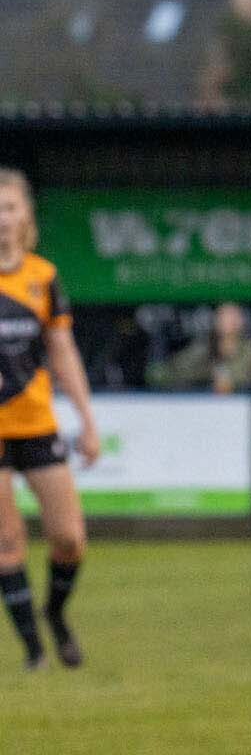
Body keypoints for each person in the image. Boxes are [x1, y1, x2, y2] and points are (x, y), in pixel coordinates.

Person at [0, 169, 99, 670]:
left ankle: (55, 613)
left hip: (37, 424)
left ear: (26, 217)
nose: (2, 218)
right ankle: (34, 650)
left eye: (10, 207)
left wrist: (86, 418)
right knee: (6, 544)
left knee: (69, 538)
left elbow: (63, 353)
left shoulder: (42, 277)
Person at [146, 301, 251, 393]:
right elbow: (175, 372)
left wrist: (238, 383)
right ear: (216, 319)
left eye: (234, 316)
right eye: (224, 315)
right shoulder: (202, 347)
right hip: (205, 405)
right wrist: (206, 376)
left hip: (244, 405)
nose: (230, 320)